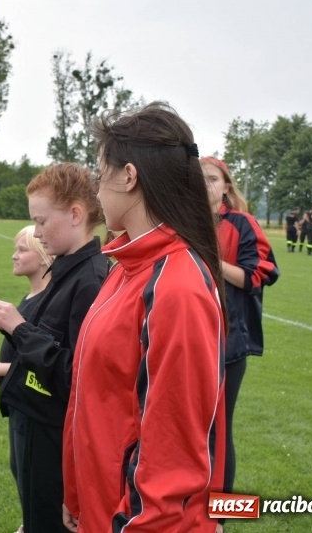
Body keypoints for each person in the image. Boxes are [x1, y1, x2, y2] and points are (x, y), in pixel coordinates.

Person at [62, 103, 226, 532]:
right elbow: (96, 396)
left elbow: (174, 446)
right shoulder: (126, 268)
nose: (96, 188)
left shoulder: (177, 286)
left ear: (129, 176)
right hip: (102, 510)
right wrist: (77, 490)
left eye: (101, 174)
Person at [0, 162, 109, 533]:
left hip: (54, 438)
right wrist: (10, 327)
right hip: (36, 425)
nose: (36, 233)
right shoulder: (65, 269)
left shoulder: (91, 281)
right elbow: (48, 342)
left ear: (76, 215)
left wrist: (19, 328)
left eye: (41, 221)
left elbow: (75, 376)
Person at [201, 156, 279, 531]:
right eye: (197, 178)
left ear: (227, 186)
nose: (205, 184)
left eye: (212, 178)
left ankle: (222, 516)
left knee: (219, 427)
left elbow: (257, 276)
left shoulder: (241, 223)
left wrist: (208, 261)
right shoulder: (183, 218)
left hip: (228, 342)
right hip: (187, 338)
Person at [0, 225, 53, 533]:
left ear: (43, 255)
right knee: (20, 471)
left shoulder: (50, 302)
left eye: (22, 249)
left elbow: (51, 367)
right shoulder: (31, 296)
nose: (14, 254)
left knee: (35, 477)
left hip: (36, 413)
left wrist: (1, 369)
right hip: (19, 407)